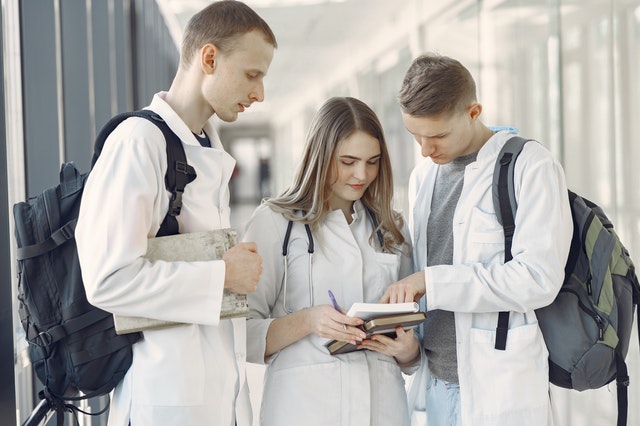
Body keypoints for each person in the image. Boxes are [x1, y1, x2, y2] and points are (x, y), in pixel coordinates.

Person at [75, 2, 276, 425]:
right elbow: (108, 279)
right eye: (252, 75)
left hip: (210, 398)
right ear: (209, 58)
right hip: (163, 399)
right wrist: (223, 276)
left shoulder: (204, 146)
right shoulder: (138, 142)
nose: (260, 93)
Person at [379, 53, 573, 425]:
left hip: (499, 391)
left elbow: (538, 278)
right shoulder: (424, 178)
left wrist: (431, 282)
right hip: (436, 385)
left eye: (437, 135)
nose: (425, 149)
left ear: (474, 111)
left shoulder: (530, 165)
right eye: (415, 135)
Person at [244, 96, 419, 426]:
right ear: (320, 156)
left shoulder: (391, 228)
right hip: (305, 407)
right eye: (348, 161)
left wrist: (407, 351)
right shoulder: (274, 223)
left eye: (372, 161)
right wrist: (309, 321)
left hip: (383, 407)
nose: (361, 174)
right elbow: (241, 333)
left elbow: (412, 341)